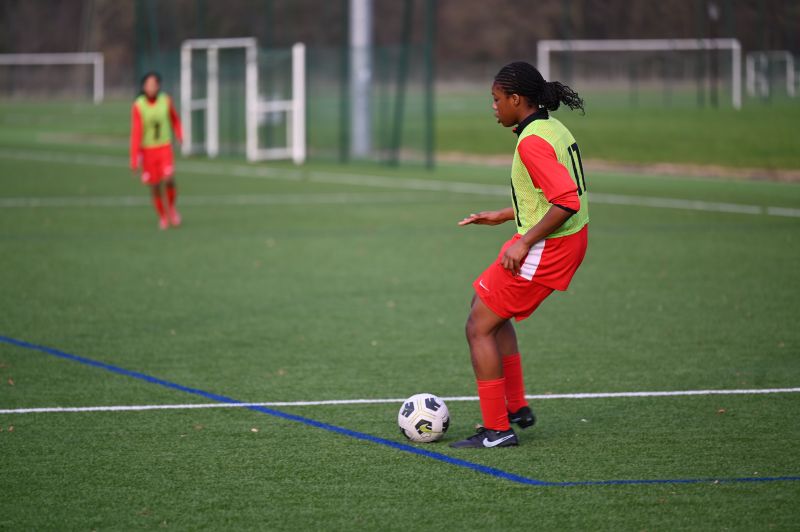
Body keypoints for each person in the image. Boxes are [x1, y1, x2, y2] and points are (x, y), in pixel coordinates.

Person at [450, 62, 589, 449]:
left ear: (516, 99)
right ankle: (516, 408)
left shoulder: (532, 142)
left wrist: (524, 242)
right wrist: (506, 215)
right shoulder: (549, 128)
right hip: (559, 240)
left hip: (551, 246)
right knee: (486, 309)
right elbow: (548, 195)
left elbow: (567, 202)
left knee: (478, 327)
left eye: (497, 99)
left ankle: (497, 430)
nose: (493, 106)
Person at [130, 72, 183, 230]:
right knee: (154, 186)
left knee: (168, 179)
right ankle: (163, 216)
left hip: (164, 147)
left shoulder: (165, 100)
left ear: (158, 86)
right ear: (143, 87)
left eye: (154, 84)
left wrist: (179, 134)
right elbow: (136, 132)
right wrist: (134, 158)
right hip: (147, 151)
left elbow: (174, 119)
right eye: (148, 84)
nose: (151, 87)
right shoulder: (139, 105)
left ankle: (171, 208)